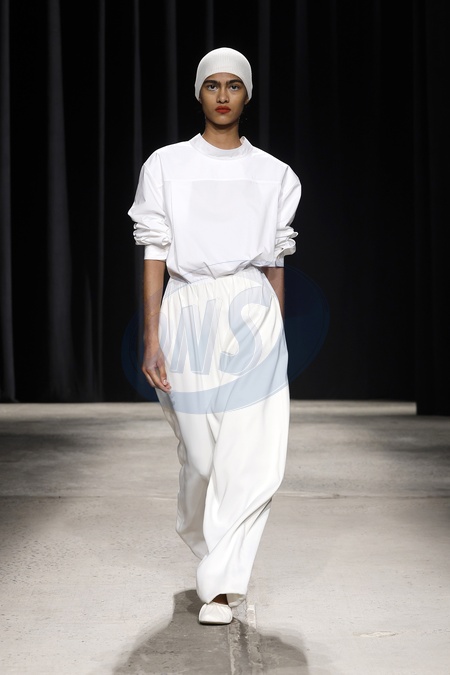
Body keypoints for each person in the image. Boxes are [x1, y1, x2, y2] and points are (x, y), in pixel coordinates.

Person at [128, 47, 301, 625]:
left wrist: (276, 335)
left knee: (250, 456)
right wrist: (152, 336)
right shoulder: (166, 165)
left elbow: (275, 263)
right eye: (212, 85)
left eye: (234, 85)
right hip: (187, 308)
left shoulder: (275, 174)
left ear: (248, 95)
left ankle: (222, 587)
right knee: (201, 458)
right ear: (198, 92)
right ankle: (211, 548)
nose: (223, 96)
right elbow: (154, 252)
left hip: (252, 310)